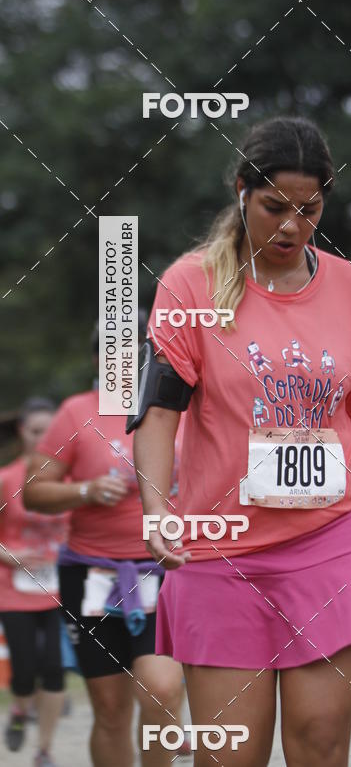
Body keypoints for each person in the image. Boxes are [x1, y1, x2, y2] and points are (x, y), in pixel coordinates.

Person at [132, 115, 351, 767]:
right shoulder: (190, 284)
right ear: (241, 192)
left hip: (333, 540)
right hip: (221, 549)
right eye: (274, 207)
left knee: (320, 741)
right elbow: (159, 413)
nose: (291, 225)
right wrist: (155, 509)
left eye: (308, 210)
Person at [23, 323, 185, 767]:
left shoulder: (177, 405)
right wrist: (86, 491)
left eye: (139, 353)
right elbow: (33, 492)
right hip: (91, 575)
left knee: (163, 690)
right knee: (111, 710)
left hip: (163, 569)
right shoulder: (76, 413)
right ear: (99, 360)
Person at [0, 397, 67, 767]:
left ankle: (44, 750)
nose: (44, 439)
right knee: (24, 671)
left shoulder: (68, 478)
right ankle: (19, 709)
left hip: (58, 587)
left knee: (54, 669)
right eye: (36, 431)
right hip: (14, 589)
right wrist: (11, 556)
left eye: (50, 432)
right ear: (22, 432)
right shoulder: (6, 478)